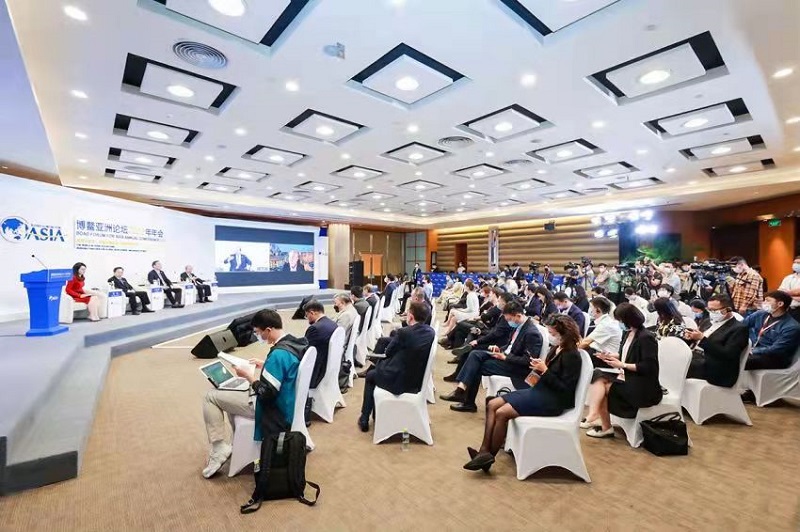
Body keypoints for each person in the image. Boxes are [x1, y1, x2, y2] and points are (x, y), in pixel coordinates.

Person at [462, 315, 583, 472]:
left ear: (563, 333)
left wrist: (545, 370)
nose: (550, 336)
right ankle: (484, 451)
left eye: (552, 333)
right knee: (492, 404)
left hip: (552, 400)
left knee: (502, 413)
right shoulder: (557, 348)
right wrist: (539, 369)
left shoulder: (572, 355)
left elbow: (565, 389)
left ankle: (488, 457)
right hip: (540, 391)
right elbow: (547, 374)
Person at [202, 309, 305, 478]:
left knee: (210, 396)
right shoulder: (293, 343)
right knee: (229, 393)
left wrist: (248, 377)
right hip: (286, 401)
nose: (257, 336)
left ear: (268, 330)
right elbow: (287, 369)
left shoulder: (278, 355)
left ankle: (219, 448)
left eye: (258, 332)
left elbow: (266, 393)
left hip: (271, 409)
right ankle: (231, 443)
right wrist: (264, 364)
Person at [440, 301, 543, 413]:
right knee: (474, 354)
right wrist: (500, 349)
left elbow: (528, 361)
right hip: (506, 357)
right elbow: (511, 346)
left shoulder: (532, 333)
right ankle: (462, 392)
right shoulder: (519, 326)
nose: (508, 322)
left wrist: (505, 357)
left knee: (476, 366)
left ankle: (464, 396)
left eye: (509, 319)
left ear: (518, 316)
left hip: (516, 368)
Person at [582, 303, 661, 438]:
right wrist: (609, 356)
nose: (618, 323)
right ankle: (596, 417)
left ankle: (602, 423)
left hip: (643, 385)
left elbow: (649, 366)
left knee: (602, 388)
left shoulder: (646, 337)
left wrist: (623, 365)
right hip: (628, 377)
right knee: (597, 376)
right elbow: (624, 354)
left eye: (619, 320)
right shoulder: (628, 333)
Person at [357, 301, 435, 432]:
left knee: (370, 376)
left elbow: (388, 352)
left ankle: (364, 418)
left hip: (400, 381)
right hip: (417, 379)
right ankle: (375, 413)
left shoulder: (404, 332)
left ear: (410, 316)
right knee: (377, 370)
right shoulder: (430, 332)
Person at [684, 294, 749, 387]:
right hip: (696, 356)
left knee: (682, 364)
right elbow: (697, 341)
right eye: (709, 310)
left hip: (717, 367)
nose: (711, 313)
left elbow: (728, 354)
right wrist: (691, 337)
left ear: (727, 309)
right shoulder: (707, 322)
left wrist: (702, 339)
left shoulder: (738, 329)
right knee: (673, 356)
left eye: (714, 310)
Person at [743, 291, 800, 370]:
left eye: (768, 300)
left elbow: (776, 349)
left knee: (741, 360)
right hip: (756, 349)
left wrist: (752, 351)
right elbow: (742, 325)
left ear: (780, 304)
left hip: (775, 358)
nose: (764, 303)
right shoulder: (761, 314)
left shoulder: (792, 327)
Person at [303, 300, 338, 389]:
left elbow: (305, 351)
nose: (307, 318)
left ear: (312, 313)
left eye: (307, 315)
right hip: (330, 365)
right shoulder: (333, 324)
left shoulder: (314, 328)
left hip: (316, 371)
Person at [778, 255, 800, 323]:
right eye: (795, 262)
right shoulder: (788, 278)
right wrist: (794, 295)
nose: (796, 264)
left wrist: (787, 293)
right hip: (788, 309)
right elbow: (780, 292)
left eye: (798, 263)